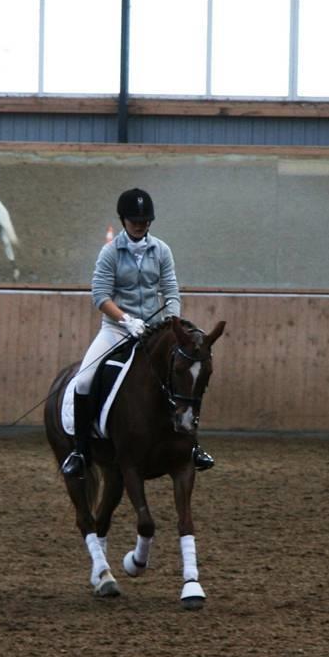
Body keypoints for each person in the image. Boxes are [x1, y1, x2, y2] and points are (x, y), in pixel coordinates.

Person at [61, 187, 215, 478]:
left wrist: (172, 324)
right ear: (123, 220)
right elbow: (100, 296)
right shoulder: (109, 253)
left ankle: (191, 445)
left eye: (145, 221)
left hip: (155, 332)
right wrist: (126, 320)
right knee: (84, 379)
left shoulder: (162, 250)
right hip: (118, 330)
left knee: (185, 377)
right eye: (135, 221)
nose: (140, 225)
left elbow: (171, 292)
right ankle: (80, 451)